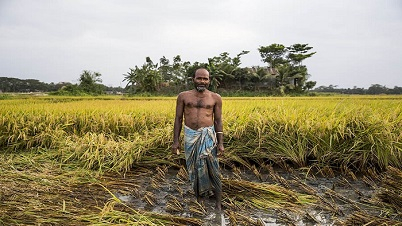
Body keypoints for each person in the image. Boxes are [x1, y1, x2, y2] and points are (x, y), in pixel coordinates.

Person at [172, 68, 224, 211]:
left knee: (213, 168)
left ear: (209, 81)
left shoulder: (215, 98)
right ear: (193, 79)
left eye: (205, 79)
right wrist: (175, 141)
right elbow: (178, 119)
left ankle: (218, 202)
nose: (202, 81)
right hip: (190, 136)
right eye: (199, 78)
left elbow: (218, 121)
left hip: (207, 136)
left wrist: (220, 143)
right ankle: (199, 198)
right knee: (193, 169)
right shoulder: (183, 96)